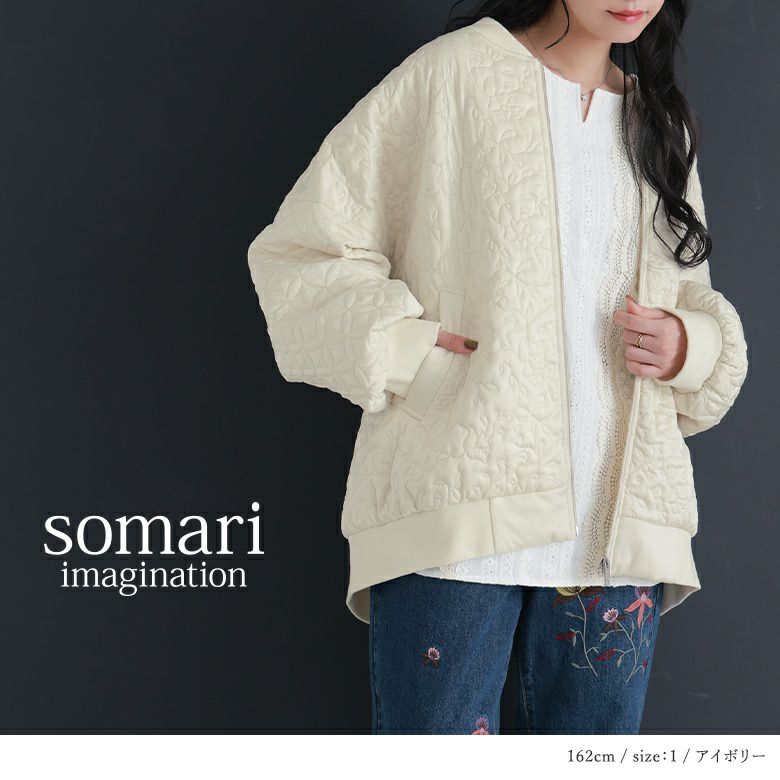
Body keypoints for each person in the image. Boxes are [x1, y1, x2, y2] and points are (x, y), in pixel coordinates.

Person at [247, 1, 749, 734]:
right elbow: (302, 252)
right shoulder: (452, 76)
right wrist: (404, 351)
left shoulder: (660, 123)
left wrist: (687, 345)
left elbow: (692, 298)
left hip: (615, 542)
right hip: (458, 515)